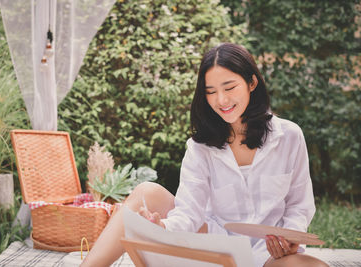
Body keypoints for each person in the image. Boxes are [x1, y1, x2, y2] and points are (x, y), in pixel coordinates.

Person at [81, 43, 328, 267]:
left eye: (229, 87)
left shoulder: (289, 136)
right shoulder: (200, 147)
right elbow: (189, 212)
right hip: (213, 250)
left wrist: (291, 237)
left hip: (270, 255)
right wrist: (162, 227)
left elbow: (298, 205)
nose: (221, 100)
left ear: (252, 83)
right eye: (211, 91)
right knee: (147, 192)